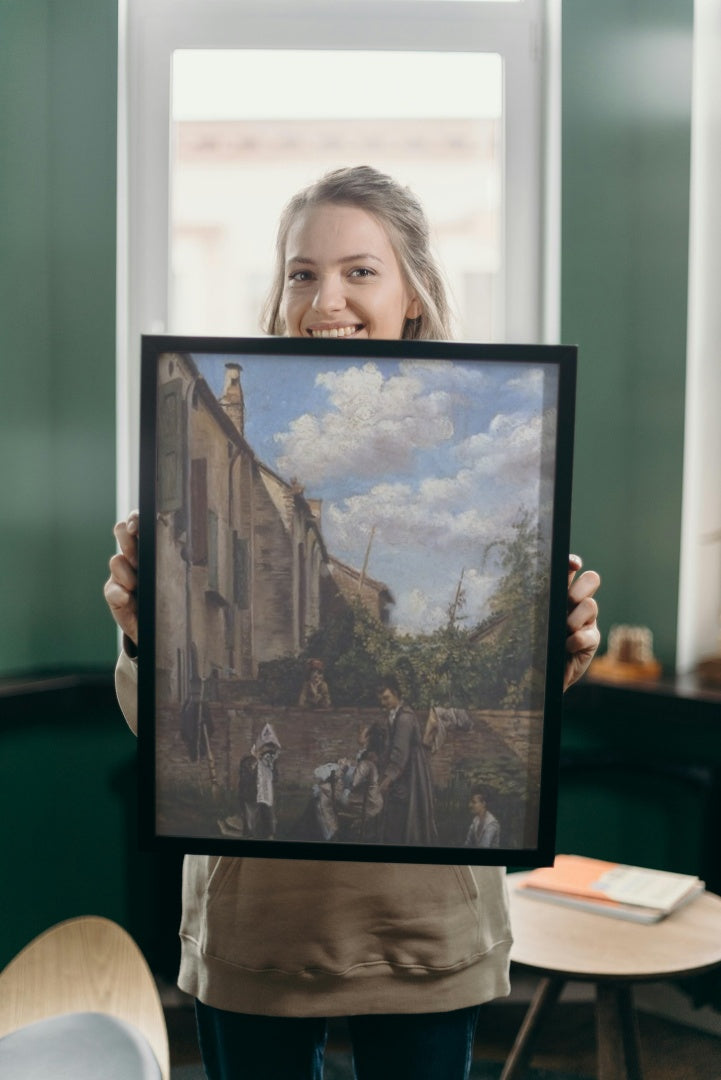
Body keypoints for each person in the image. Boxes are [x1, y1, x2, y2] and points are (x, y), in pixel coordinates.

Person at [105, 165, 601, 1080]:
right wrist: (142, 635)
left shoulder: (509, 428)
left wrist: (554, 652)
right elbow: (165, 732)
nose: (324, 297)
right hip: (257, 928)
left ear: (413, 291)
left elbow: (518, 715)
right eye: (301, 272)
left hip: (424, 927)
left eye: (359, 271)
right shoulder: (208, 444)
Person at [377, 673, 438, 845]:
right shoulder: (395, 714)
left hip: (409, 773)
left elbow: (400, 753)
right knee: (396, 814)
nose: (384, 703)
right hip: (402, 773)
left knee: (401, 813)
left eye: (386, 698)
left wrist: (387, 780)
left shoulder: (404, 718)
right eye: (381, 699)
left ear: (396, 693)